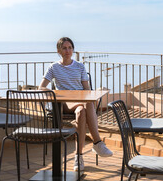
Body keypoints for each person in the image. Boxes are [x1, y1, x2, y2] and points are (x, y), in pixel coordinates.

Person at [39, 37, 113, 171]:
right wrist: (56, 94)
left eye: (70, 48)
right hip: (64, 104)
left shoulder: (79, 66)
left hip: (79, 104)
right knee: (88, 104)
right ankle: (97, 142)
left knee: (82, 111)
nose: (67, 51)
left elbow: (87, 89)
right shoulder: (54, 67)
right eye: (64, 48)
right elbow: (41, 88)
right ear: (59, 51)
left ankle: (78, 157)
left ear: (73, 49)